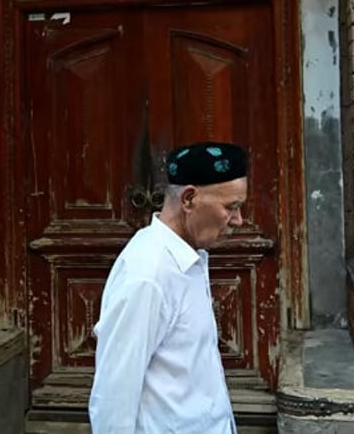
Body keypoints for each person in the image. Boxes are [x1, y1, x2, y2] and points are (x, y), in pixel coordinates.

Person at [89, 141, 248, 433]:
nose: (238, 220)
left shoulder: (191, 257)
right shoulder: (148, 275)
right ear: (188, 199)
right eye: (231, 207)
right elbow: (114, 398)